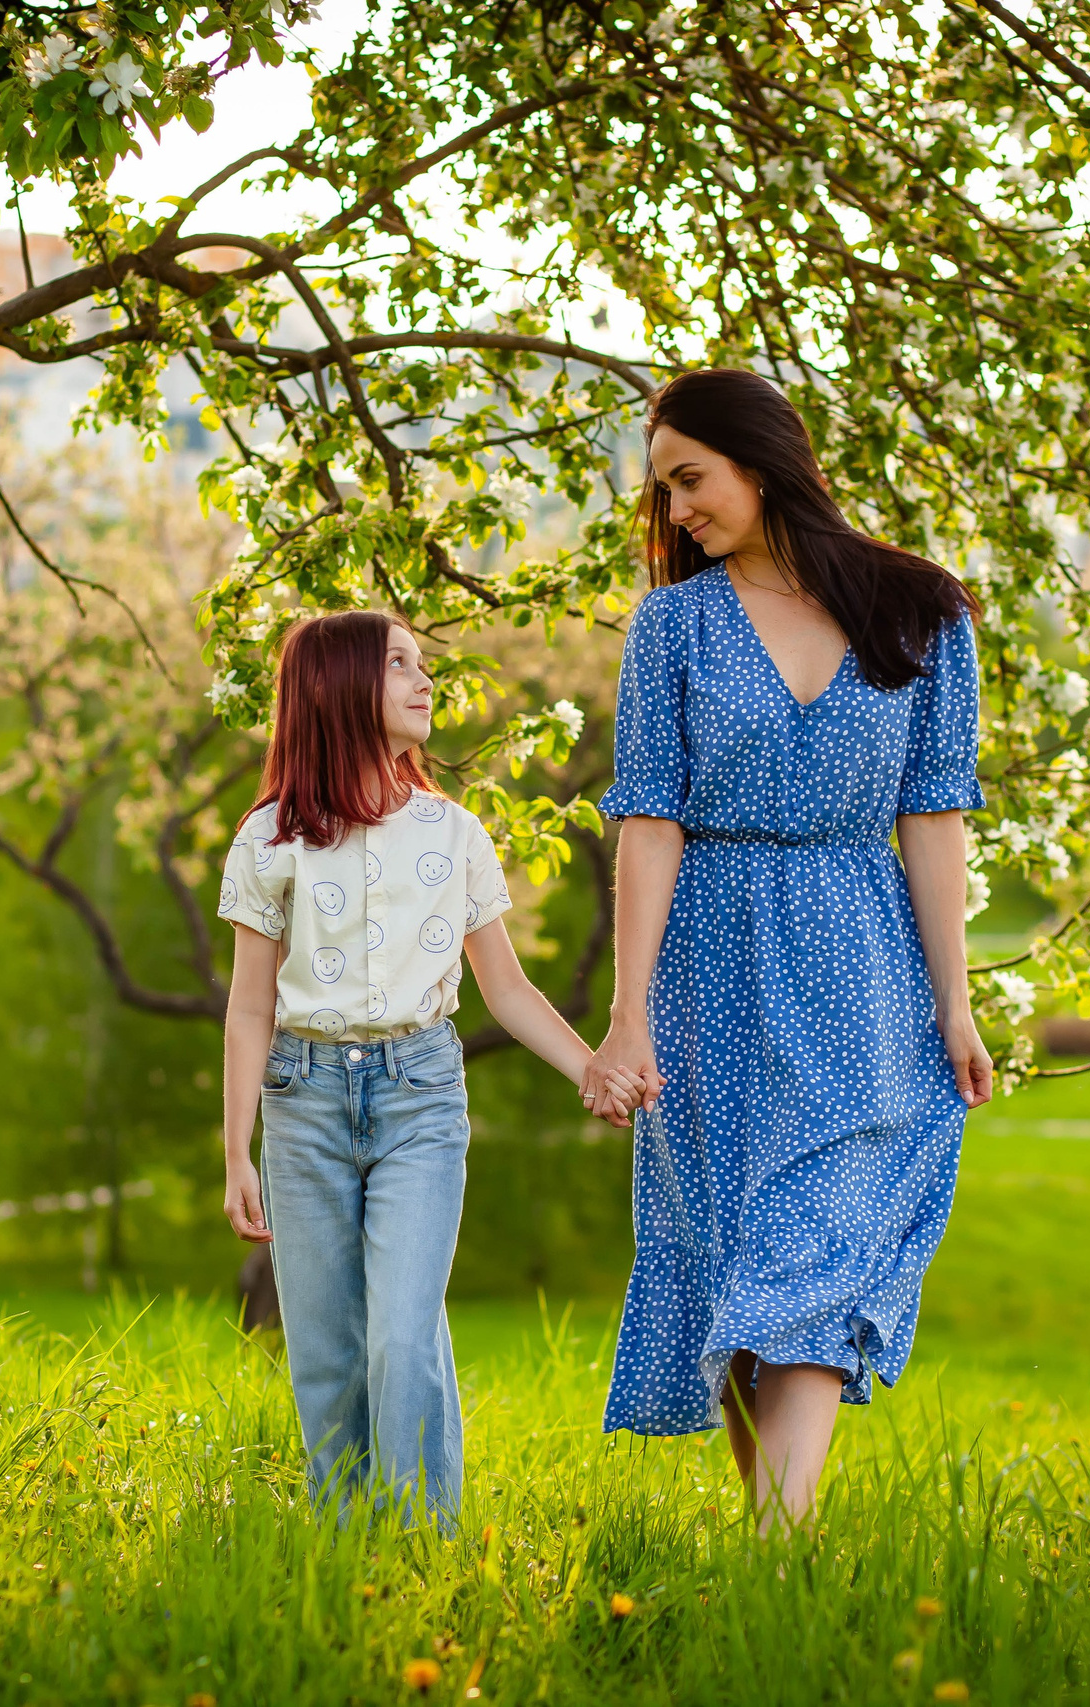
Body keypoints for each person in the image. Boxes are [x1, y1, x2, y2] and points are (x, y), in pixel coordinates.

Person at [582, 367, 994, 1533]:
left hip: (865, 967)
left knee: (810, 1250)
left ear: (759, 462)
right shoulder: (671, 625)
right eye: (662, 491)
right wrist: (628, 1013)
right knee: (736, 1261)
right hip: (709, 966)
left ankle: (780, 1541)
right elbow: (650, 818)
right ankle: (777, 1575)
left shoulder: (921, 611)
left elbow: (934, 815)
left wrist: (953, 1005)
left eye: (689, 479)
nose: (674, 512)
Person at [217, 608, 632, 1527]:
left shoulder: (456, 836)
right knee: (326, 1350)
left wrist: (591, 1067)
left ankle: (419, 1544)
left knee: (402, 1337)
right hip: (302, 1101)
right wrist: (237, 1149)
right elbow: (249, 1006)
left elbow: (509, 990)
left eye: (421, 661)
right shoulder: (271, 840)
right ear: (335, 691)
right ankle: (347, 1542)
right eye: (397, 663)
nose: (424, 677)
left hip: (420, 1098)